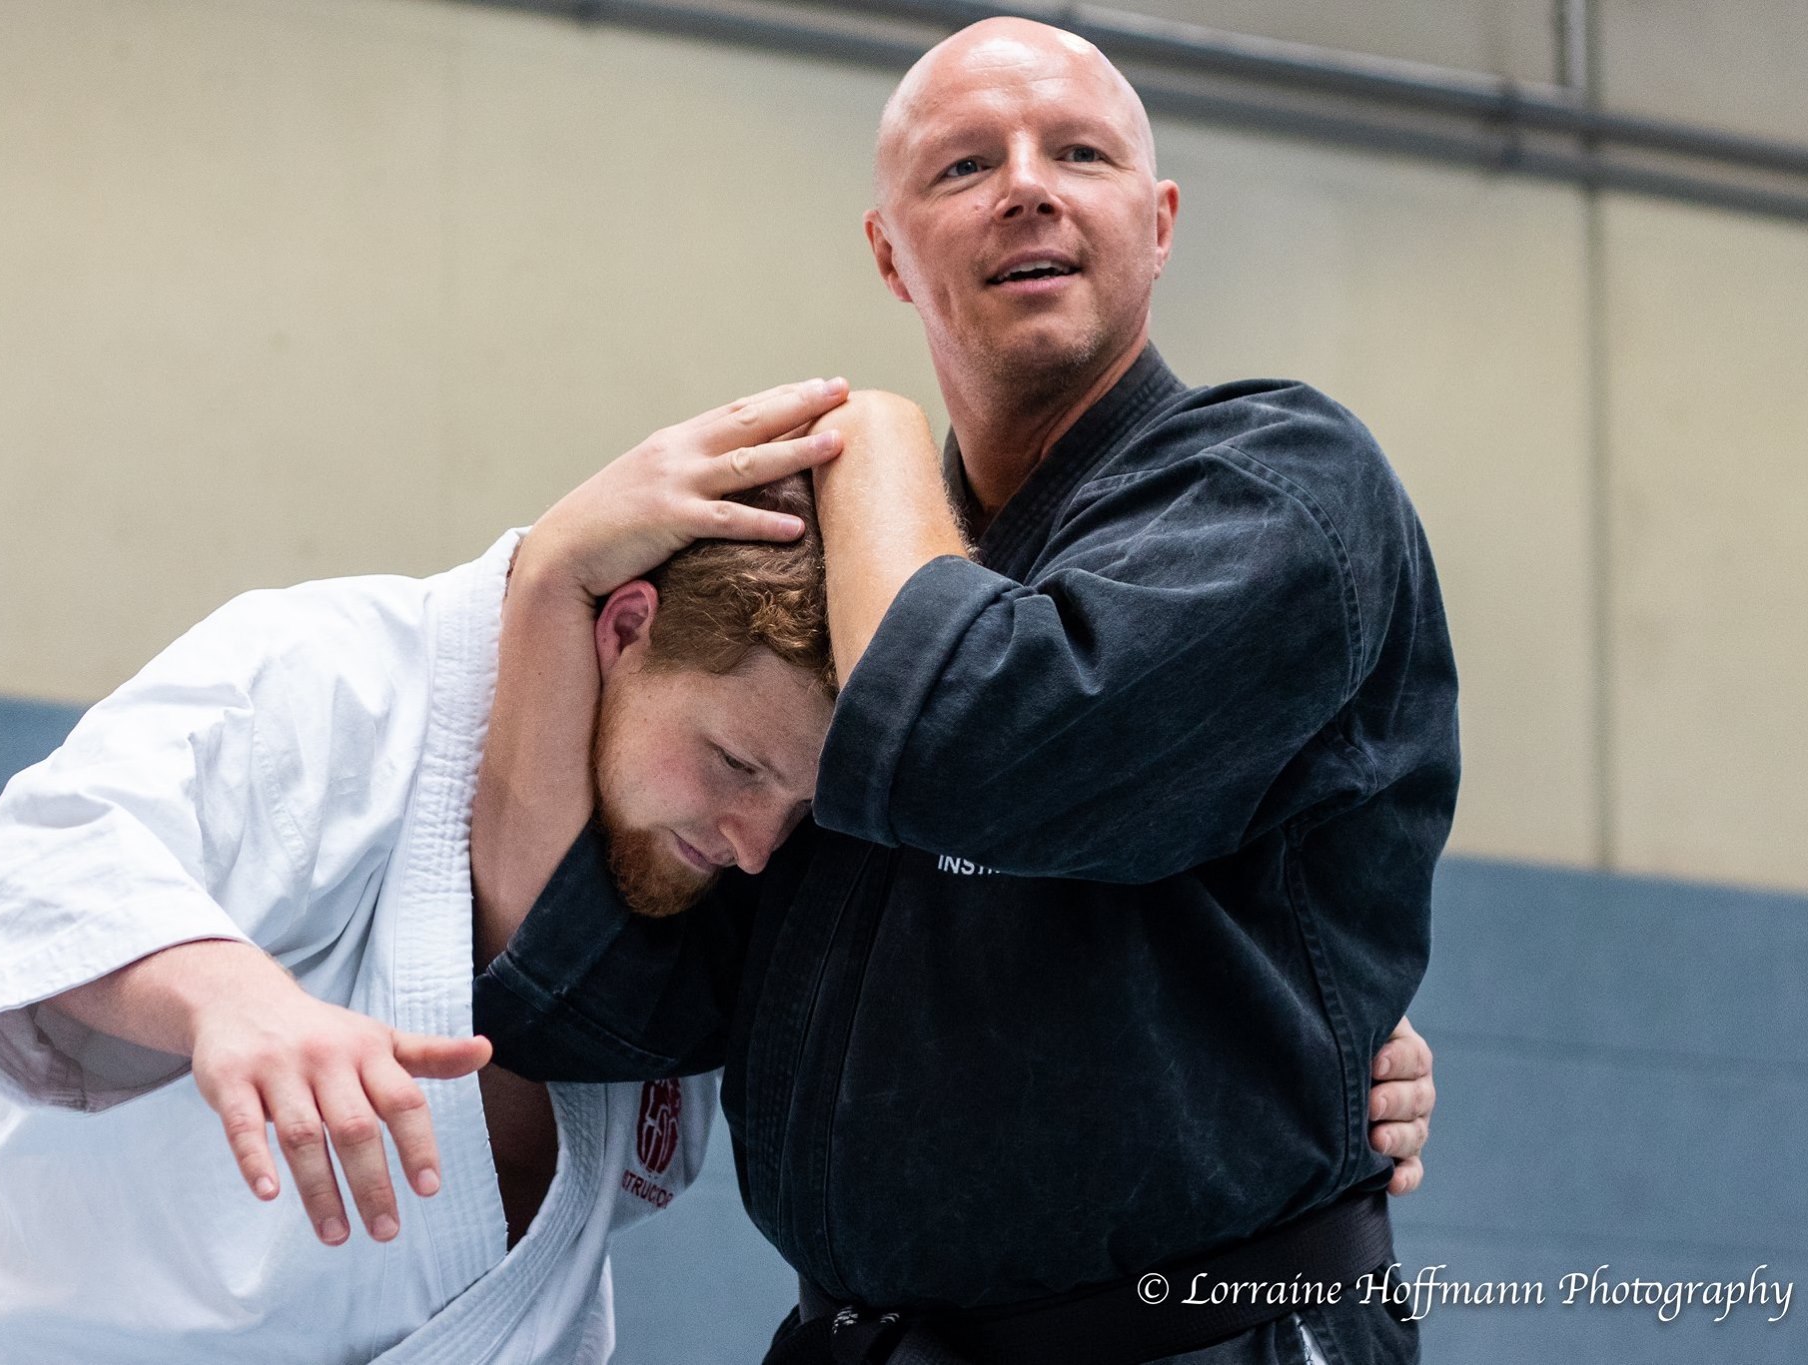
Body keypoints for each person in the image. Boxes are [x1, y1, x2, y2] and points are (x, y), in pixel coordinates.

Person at [472, 17, 1454, 1365]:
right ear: (888, 251)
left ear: (1158, 222)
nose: (1029, 185)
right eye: (962, 167)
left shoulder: (1281, 483)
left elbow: (982, 739)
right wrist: (547, 592)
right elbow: (608, 1002)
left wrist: (873, 431)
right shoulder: (842, 588)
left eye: (1080, 152)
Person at [0, 381, 854, 1365]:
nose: (750, 843)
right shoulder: (334, 675)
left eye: (789, 809)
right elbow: (42, 856)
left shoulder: (682, 900)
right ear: (624, 629)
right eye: (732, 765)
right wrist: (226, 998)